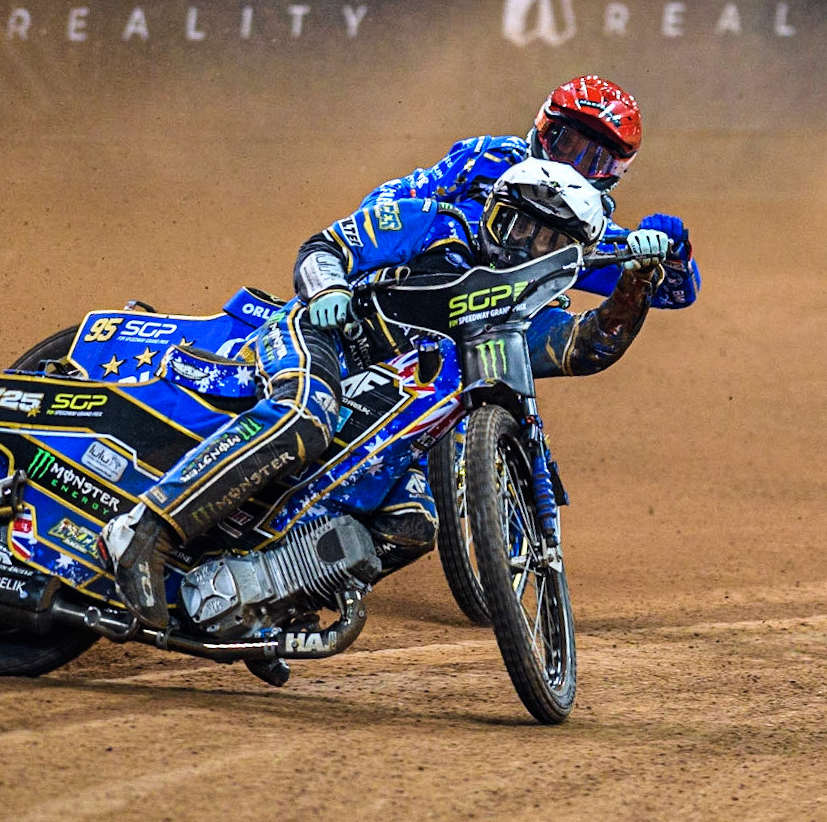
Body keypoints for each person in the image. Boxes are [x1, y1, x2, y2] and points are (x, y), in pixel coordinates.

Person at [102, 157, 694, 630]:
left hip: (393, 417)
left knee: (412, 521)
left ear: (566, 260)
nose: (526, 247)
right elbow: (323, 248)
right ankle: (146, 531)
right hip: (321, 340)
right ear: (494, 212)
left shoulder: (520, 319)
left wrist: (633, 290)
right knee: (308, 416)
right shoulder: (432, 221)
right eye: (521, 225)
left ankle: (252, 595)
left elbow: (585, 348)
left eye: (548, 242)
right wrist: (329, 288)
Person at [360, 74, 699, 308]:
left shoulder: (589, 230)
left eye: (592, 158)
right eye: (564, 143)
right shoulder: (488, 158)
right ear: (541, 131)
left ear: (613, 173)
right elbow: (391, 197)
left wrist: (672, 253)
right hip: (406, 292)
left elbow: (675, 294)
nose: (570, 165)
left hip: (485, 342)